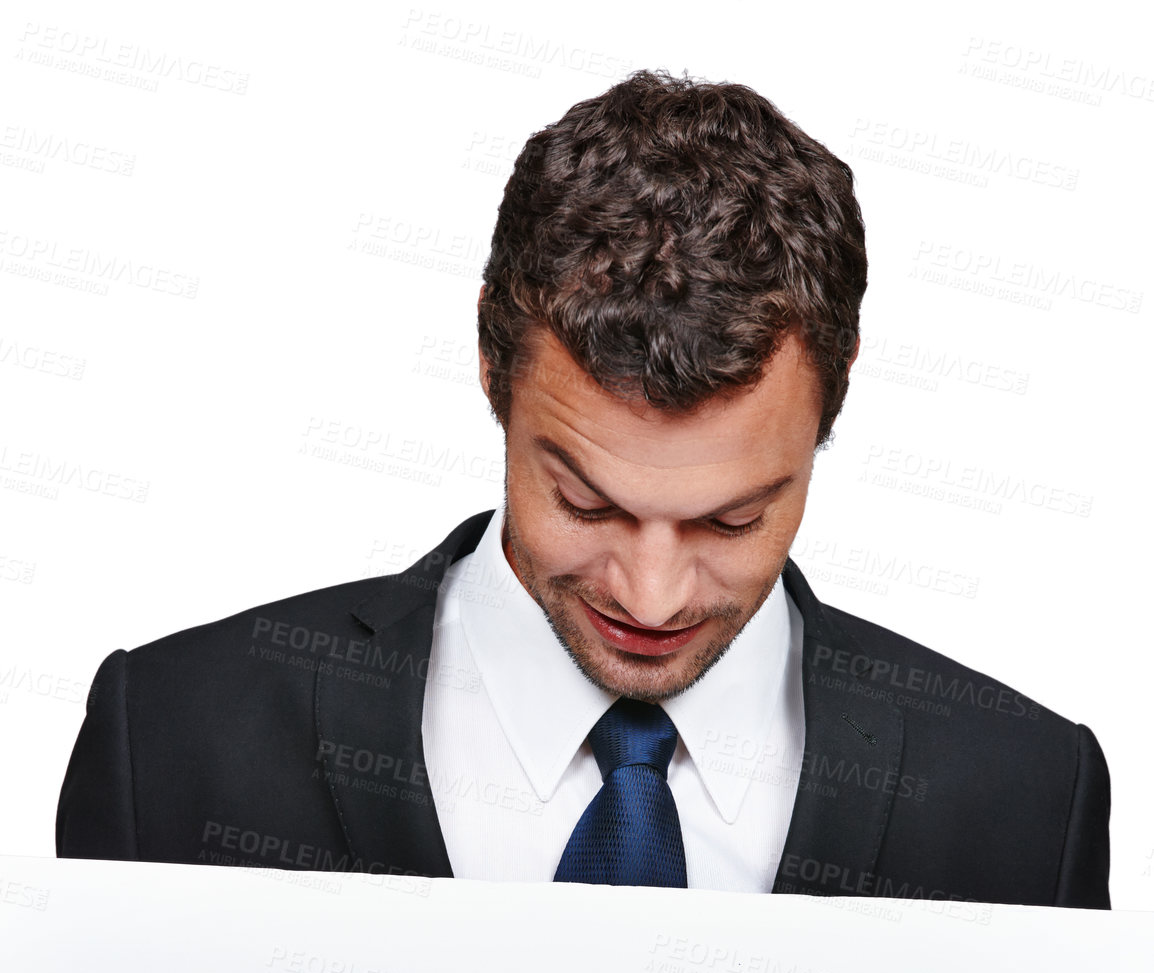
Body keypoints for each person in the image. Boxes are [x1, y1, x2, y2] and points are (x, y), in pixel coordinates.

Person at [56, 71, 1109, 905]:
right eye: (585, 503)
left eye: (731, 519)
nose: (649, 598)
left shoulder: (1024, 796)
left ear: (835, 394)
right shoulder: (173, 741)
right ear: (488, 362)